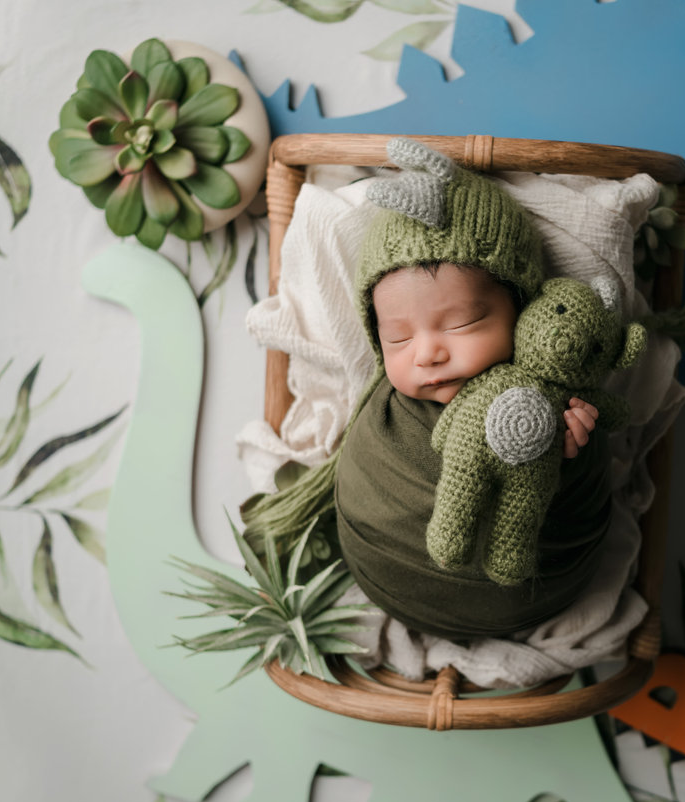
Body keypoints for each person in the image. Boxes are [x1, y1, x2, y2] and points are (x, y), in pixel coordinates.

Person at [245, 138, 616, 640]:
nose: (427, 354)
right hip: (384, 577)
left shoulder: (549, 395)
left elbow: (581, 495)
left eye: (461, 324)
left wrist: (571, 450)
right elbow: (360, 472)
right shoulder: (387, 413)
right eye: (398, 336)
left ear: (524, 309)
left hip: (537, 590)